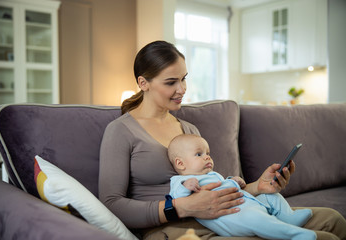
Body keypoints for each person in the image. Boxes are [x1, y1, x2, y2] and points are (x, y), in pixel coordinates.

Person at [98, 40, 346, 240]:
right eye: (171, 82)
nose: (182, 89)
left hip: (225, 215)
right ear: (143, 83)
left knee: (332, 219)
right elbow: (111, 204)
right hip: (178, 230)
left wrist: (257, 187)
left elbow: (216, 188)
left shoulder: (188, 129)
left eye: (184, 78)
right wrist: (184, 207)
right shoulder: (121, 131)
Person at [168, 134, 316, 239]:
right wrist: (187, 186)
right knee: (256, 218)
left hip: (247, 203)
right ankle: (295, 235)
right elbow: (178, 198)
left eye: (208, 153)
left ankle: (288, 217)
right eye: (199, 154)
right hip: (233, 217)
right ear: (180, 163)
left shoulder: (212, 174)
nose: (207, 157)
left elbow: (224, 185)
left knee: (271, 196)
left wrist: (234, 180)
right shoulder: (180, 180)